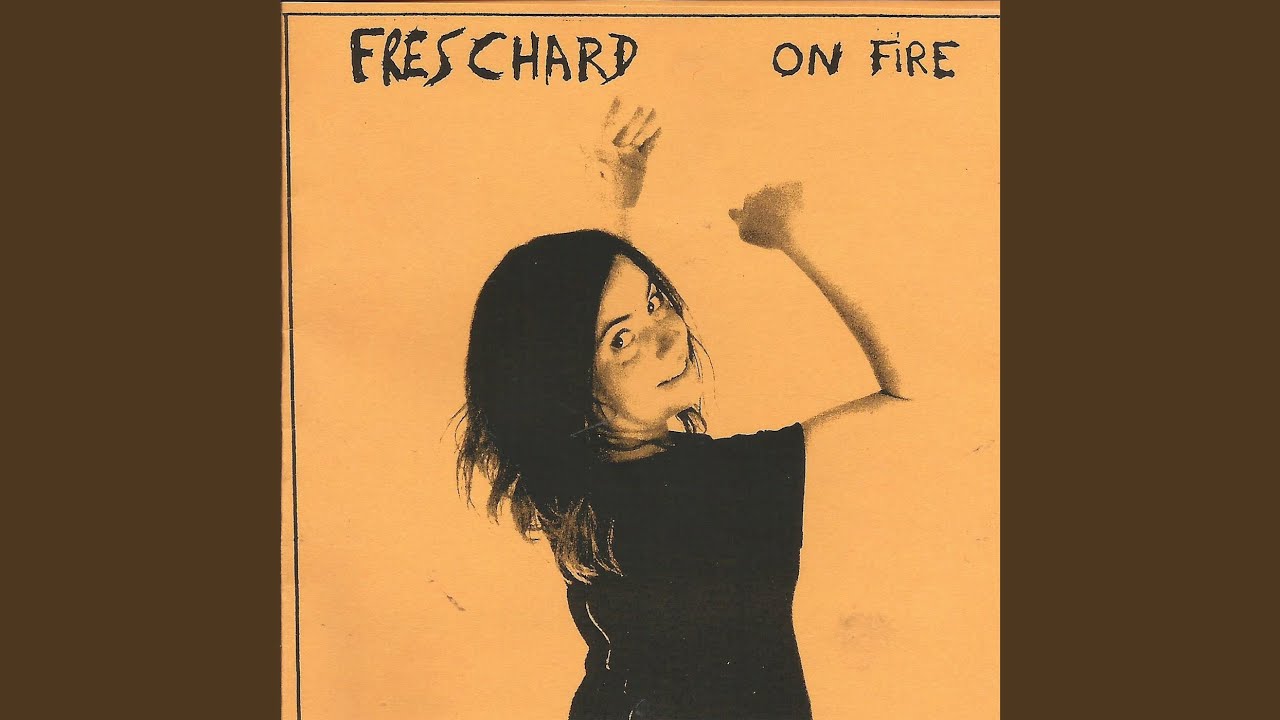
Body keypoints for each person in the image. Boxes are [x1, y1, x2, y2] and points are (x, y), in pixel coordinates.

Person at [455, 101, 909, 720]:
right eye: (624, 340)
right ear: (565, 389)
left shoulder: (572, 479)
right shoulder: (716, 488)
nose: (669, 336)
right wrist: (794, 238)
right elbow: (914, 394)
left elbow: (585, 335)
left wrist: (616, 212)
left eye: (655, 302)